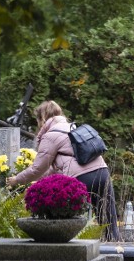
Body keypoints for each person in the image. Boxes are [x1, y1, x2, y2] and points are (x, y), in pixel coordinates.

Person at [7, 100, 121, 241]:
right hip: (102, 172)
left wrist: (17, 179)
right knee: (109, 223)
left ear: (42, 118)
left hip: (82, 178)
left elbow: (38, 169)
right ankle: (117, 252)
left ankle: (65, 253)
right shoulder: (73, 128)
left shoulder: (50, 136)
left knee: (62, 215)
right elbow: (51, 169)